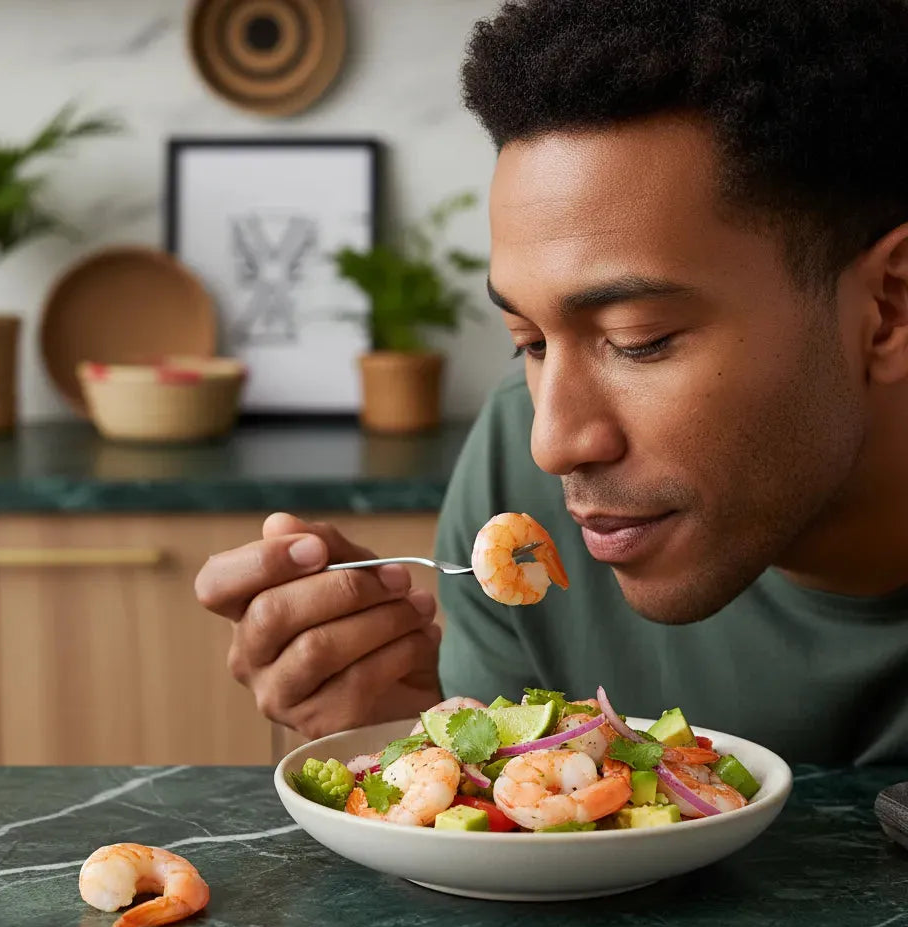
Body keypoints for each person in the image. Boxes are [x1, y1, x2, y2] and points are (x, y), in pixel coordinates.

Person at [195, 0, 908, 765]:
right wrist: (415, 740)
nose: (553, 442)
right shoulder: (512, 464)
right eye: (528, 343)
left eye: (640, 341)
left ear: (888, 308)